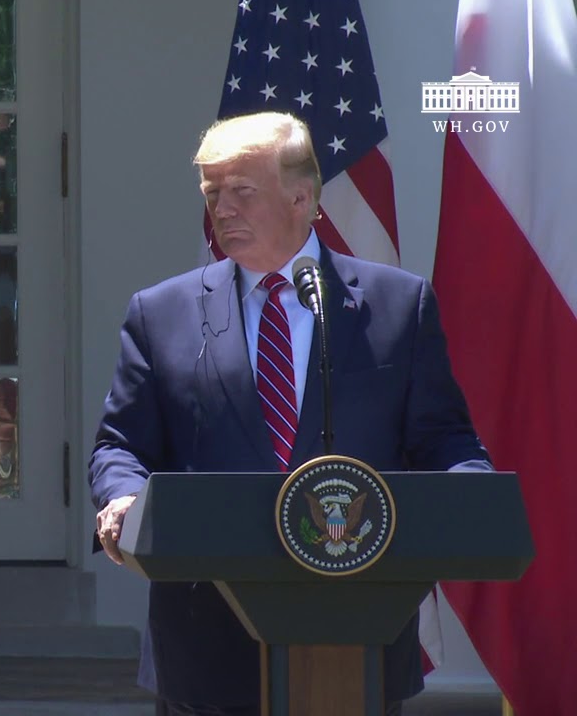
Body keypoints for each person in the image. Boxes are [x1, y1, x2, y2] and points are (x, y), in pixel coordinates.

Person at [88, 112, 490, 716]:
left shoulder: (396, 306)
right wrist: (122, 497)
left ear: (302, 197)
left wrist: (471, 496)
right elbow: (120, 446)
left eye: (241, 192)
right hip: (206, 647)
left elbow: (443, 439)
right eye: (212, 193)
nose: (221, 209)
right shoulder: (160, 313)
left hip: (358, 631)